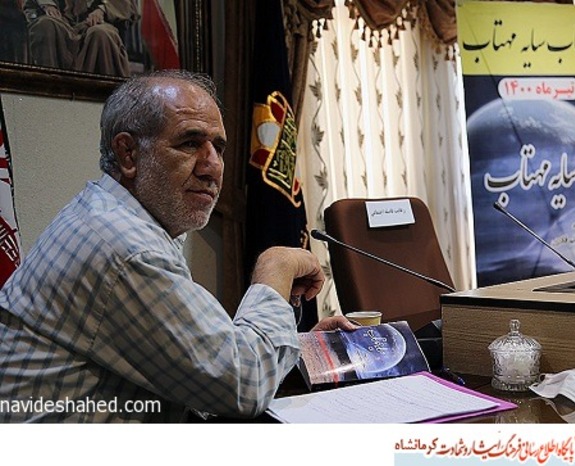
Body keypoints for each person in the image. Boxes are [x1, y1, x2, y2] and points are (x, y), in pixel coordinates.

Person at [0, 69, 356, 422]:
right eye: (189, 143)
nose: (212, 167)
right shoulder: (125, 247)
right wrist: (275, 267)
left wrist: (296, 353)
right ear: (128, 153)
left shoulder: (114, 219)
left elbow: (197, 366)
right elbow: (243, 386)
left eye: (218, 147)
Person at [23, 0, 139, 76]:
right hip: (62, 20)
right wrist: (47, 4)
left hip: (95, 21)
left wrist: (102, 10)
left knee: (100, 34)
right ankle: (49, 87)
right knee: (45, 25)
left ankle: (102, 95)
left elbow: (127, 5)